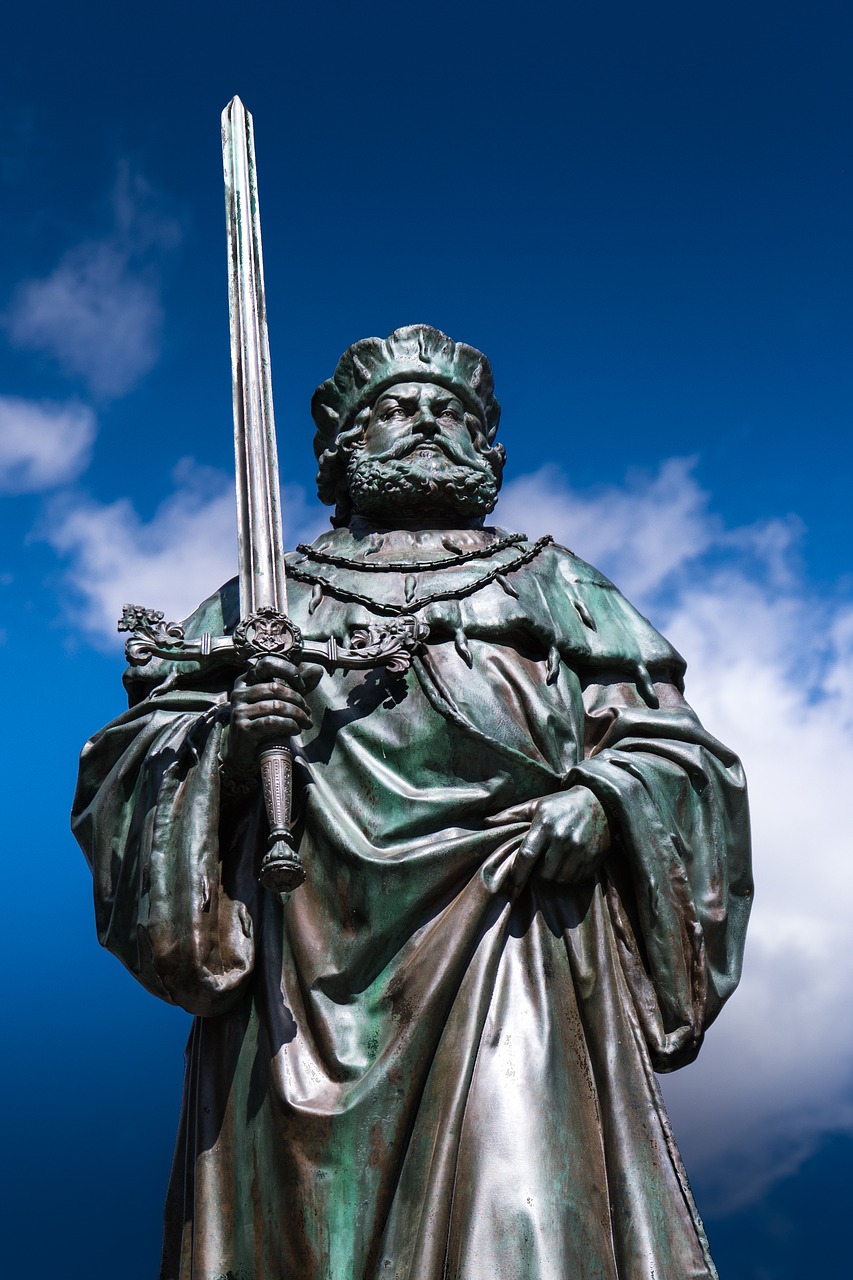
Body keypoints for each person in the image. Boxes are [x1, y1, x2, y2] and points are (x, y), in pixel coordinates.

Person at [73, 325, 752, 1280]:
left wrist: (604, 799)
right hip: (300, 970)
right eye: (394, 408)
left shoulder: (554, 584)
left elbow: (678, 752)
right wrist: (226, 745)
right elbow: (128, 768)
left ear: (491, 452)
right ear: (340, 450)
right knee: (303, 1243)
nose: (427, 422)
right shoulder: (265, 601)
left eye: (452, 411)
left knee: (524, 1214)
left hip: (512, 934)